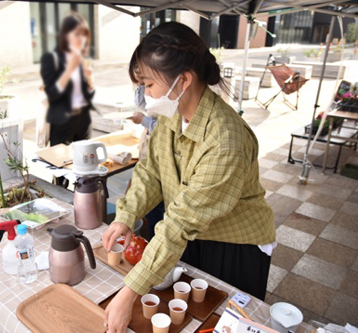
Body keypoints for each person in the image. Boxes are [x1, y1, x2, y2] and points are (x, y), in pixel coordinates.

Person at [102, 22, 276, 333]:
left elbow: (181, 221)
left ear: (182, 80)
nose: (144, 94)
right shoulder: (171, 116)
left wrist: (130, 292)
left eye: (149, 84)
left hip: (234, 246)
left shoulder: (226, 138)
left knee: (222, 322)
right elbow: (150, 172)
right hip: (193, 234)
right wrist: (125, 217)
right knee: (188, 317)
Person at [40, 13, 94, 147]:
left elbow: (88, 96)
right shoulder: (51, 58)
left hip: (83, 121)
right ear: (65, 35)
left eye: (84, 34)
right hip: (61, 123)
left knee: (85, 164)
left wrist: (89, 80)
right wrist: (69, 70)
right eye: (77, 34)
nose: (81, 39)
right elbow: (52, 94)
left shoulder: (83, 59)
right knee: (61, 164)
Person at [129, 82, 164, 240]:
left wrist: (144, 120)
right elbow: (141, 103)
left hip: (159, 157)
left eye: (149, 83)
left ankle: (154, 242)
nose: (146, 91)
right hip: (148, 148)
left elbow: (165, 125)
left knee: (157, 211)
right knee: (151, 210)